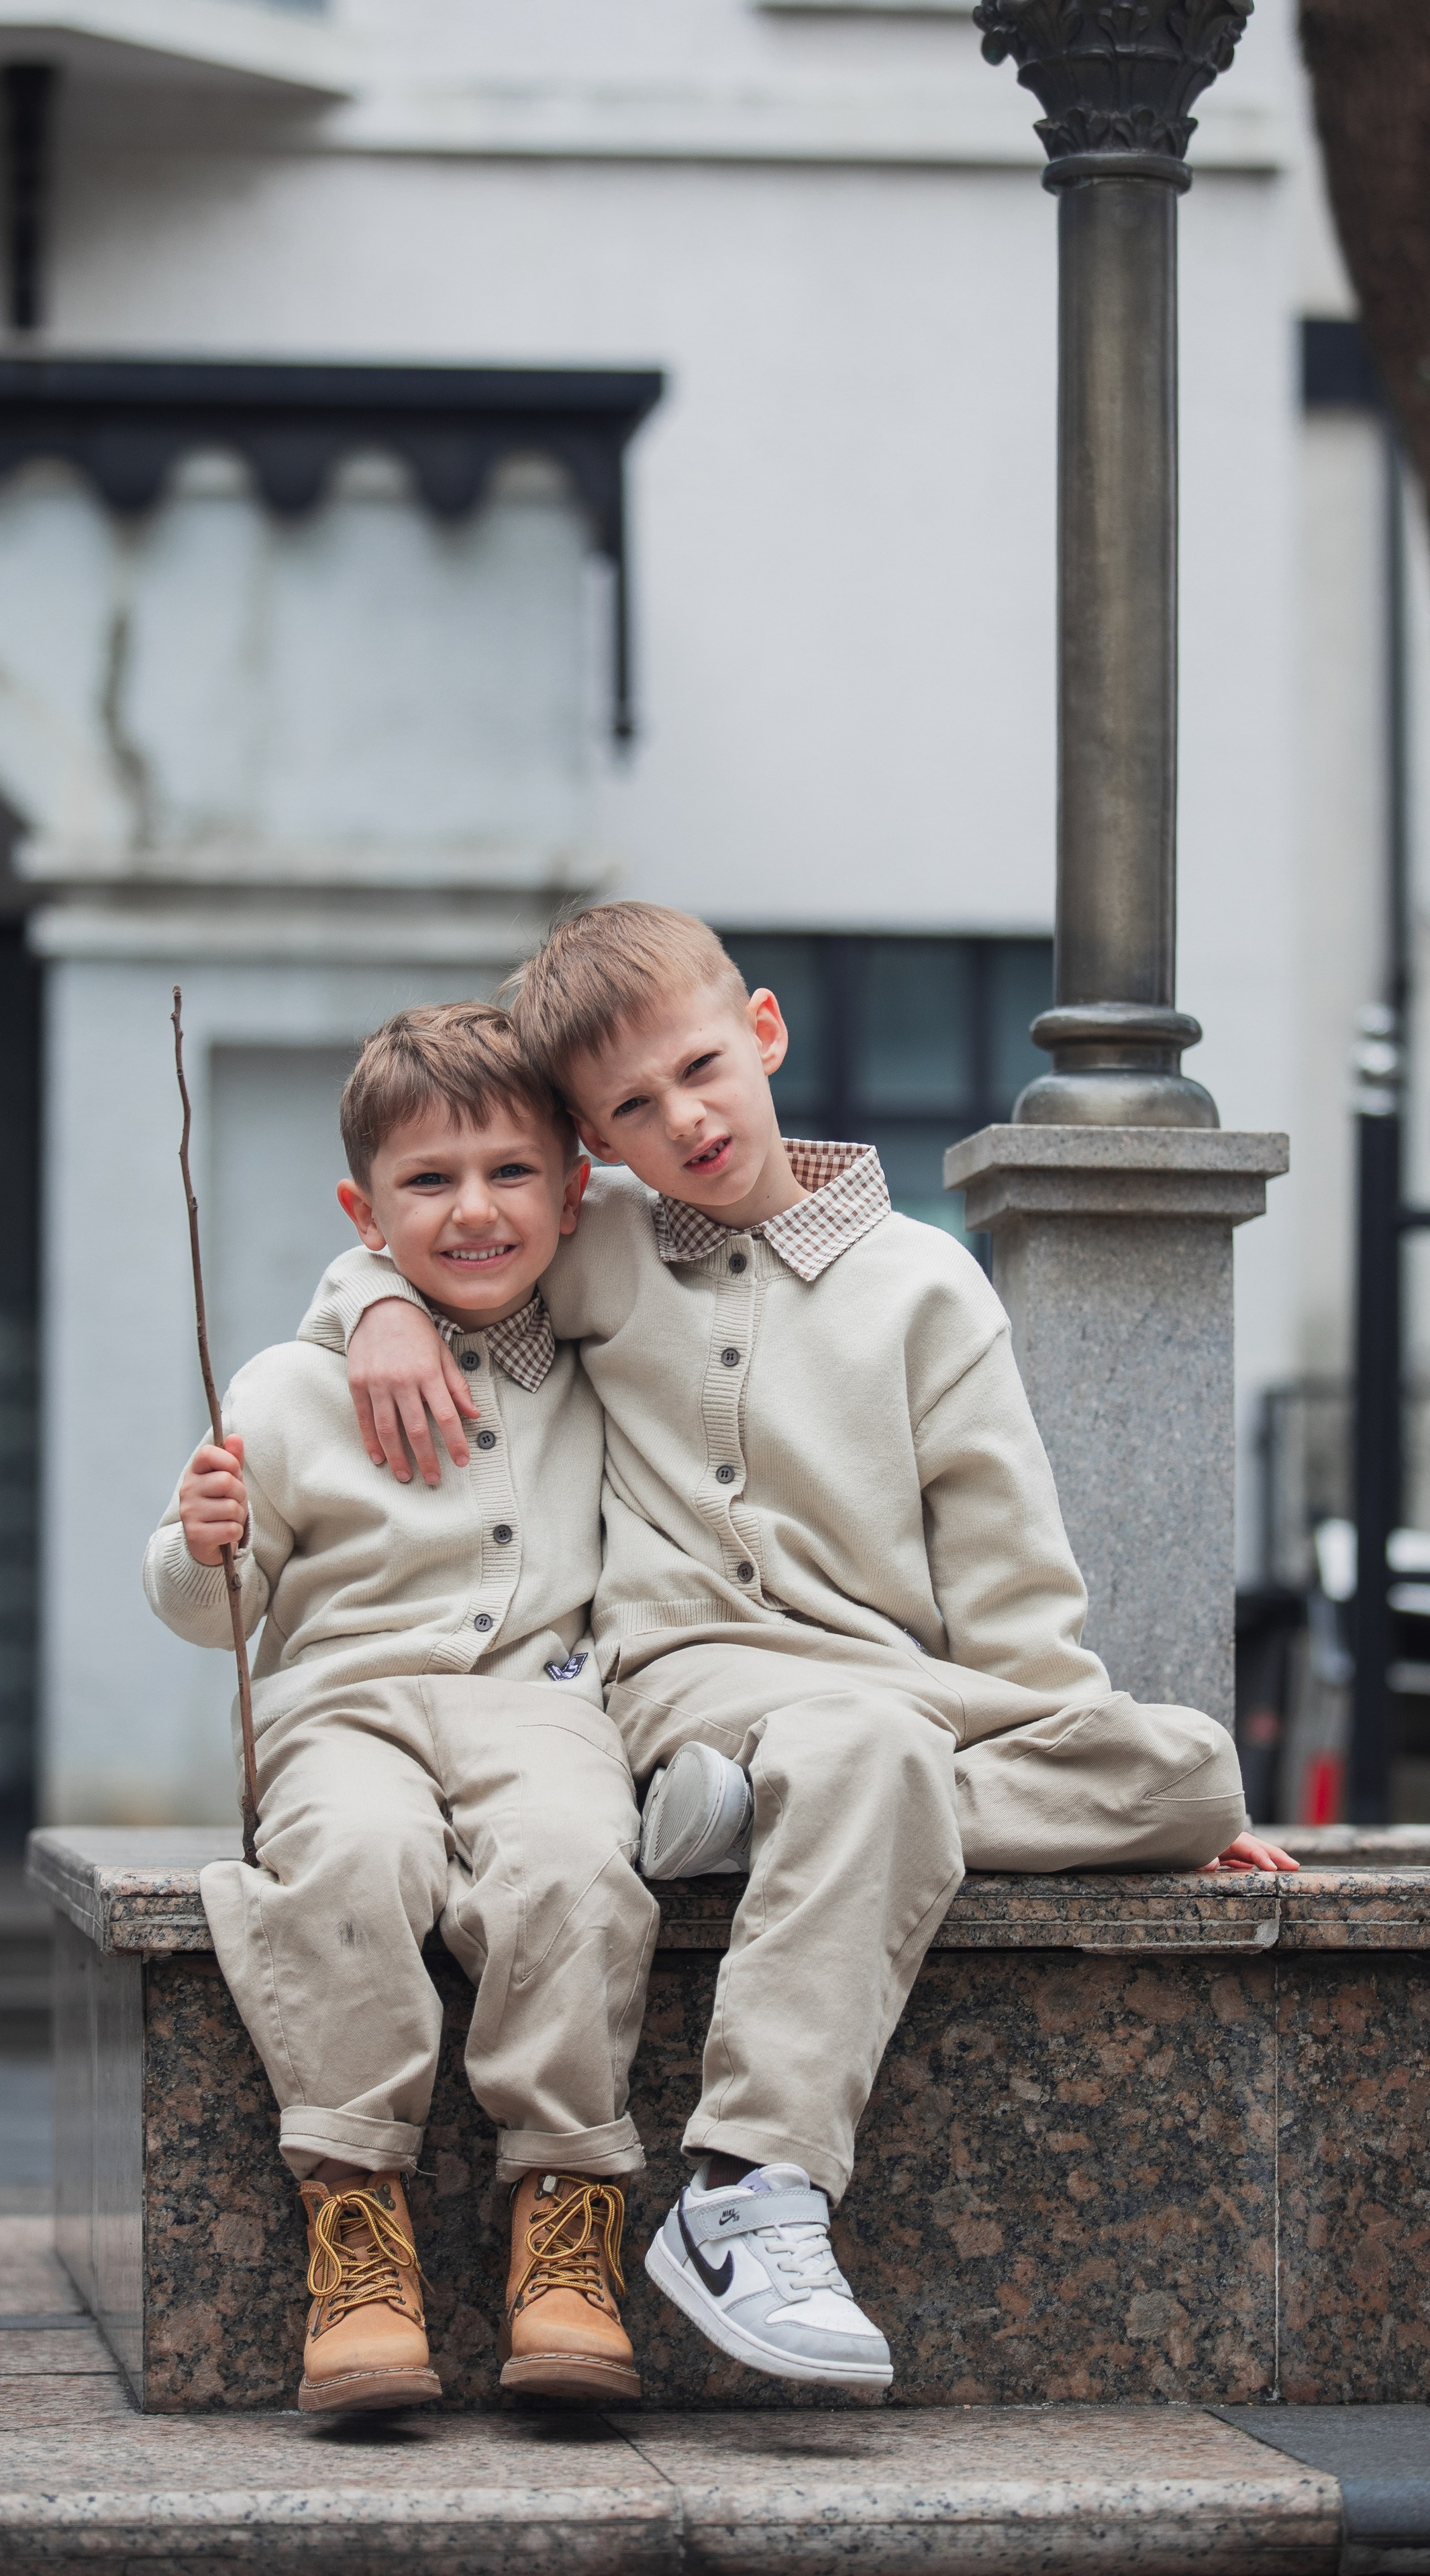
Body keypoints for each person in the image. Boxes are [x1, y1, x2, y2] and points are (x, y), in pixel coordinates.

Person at [301, 902, 1297, 2396]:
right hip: (686, 1667)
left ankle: (764, 1820)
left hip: (892, 1689)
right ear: (592, 1145)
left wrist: (1075, 1748)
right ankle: (746, 2192)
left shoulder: (925, 1284)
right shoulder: (599, 1245)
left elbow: (1009, 1570)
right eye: (632, 1110)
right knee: (876, 1750)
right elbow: (444, 1247)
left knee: (1190, 1778)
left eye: (700, 1070)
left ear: (761, 1033)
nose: (684, 1121)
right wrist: (374, 1303)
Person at [144, 1002, 657, 2416]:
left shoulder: (603, 1358)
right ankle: (354, 2213)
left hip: (541, 1707)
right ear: (362, 1215)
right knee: (356, 1859)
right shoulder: (289, 1387)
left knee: (572, 1864)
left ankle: (564, 2213)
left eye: (509, 1173)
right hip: (341, 1709)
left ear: (572, 1188)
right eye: (429, 1181)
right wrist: (199, 1546)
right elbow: (213, 1612)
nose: (474, 1209)